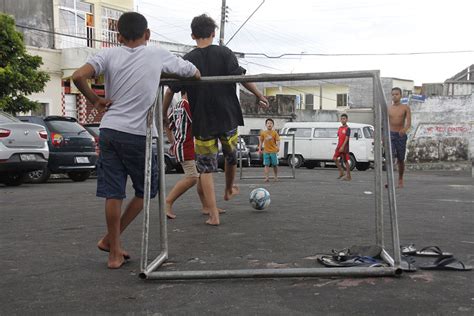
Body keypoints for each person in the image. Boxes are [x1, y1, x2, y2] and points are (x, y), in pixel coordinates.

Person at [72, 12, 200, 269]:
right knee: (146, 191)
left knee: (113, 193)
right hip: (139, 135)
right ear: (148, 34)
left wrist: (95, 99)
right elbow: (194, 73)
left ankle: (114, 251)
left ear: (119, 36)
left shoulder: (108, 55)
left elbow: (77, 76)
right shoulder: (156, 54)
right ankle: (110, 240)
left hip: (109, 130)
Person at [169, 14, 268, 226]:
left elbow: (171, 88)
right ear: (213, 33)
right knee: (231, 155)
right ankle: (229, 188)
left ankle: (213, 214)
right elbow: (243, 79)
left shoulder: (186, 60)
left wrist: (161, 113)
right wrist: (259, 95)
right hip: (227, 117)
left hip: (203, 122)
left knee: (206, 168)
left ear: (193, 35)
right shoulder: (225, 53)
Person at [162, 89, 225, 219]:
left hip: (183, 144)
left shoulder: (178, 105)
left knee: (202, 177)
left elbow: (168, 126)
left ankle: (207, 206)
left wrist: (173, 142)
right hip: (187, 145)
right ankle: (167, 202)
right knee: (192, 177)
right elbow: (200, 123)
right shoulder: (189, 106)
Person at [388, 87, 411, 188]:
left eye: (396, 94)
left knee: (400, 159)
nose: (394, 96)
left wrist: (404, 130)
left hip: (401, 135)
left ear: (401, 95)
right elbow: (384, 122)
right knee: (390, 158)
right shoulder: (388, 108)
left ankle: (400, 178)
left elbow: (409, 123)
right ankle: (390, 180)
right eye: (393, 94)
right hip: (391, 135)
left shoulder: (405, 107)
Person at [334, 113, 352, 181]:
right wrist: (338, 146)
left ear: (346, 120)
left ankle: (349, 176)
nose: (342, 120)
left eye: (344, 119)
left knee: (345, 161)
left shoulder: (348, 128)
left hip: (344, 147)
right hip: (339, 146)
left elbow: (346, 138)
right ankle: (341, 172)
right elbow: (339, 138)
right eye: (341, 119)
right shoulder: (340, 128)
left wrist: (342, 147)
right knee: (335, 158)